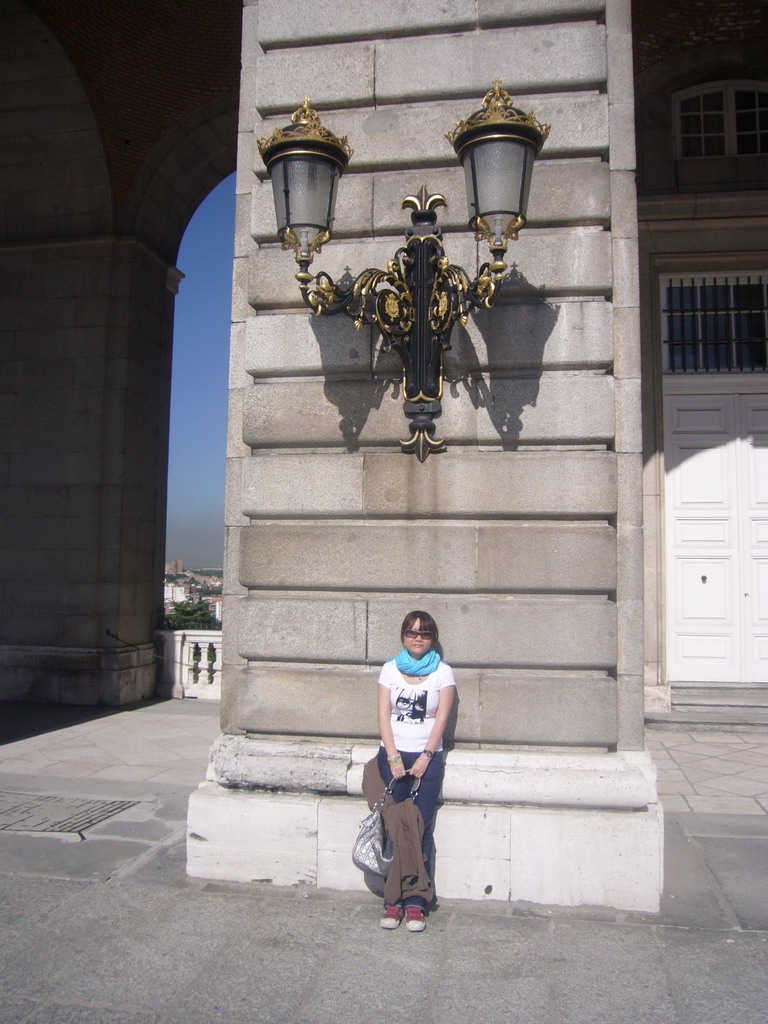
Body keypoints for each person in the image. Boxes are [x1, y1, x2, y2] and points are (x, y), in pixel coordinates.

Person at [375, 609, 455, 932]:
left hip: (427, 759)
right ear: (403, 636)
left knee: (420, 827)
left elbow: (442, 719)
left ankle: (417, 900)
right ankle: (392, 899)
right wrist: (394, 757)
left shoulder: (443, 673)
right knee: (397, 829)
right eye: (412, 632)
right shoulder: (389, 670)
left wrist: (425, 755)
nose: (418, 638)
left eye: (424, 633)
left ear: (432, 638)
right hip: (393, 757)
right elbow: (383, 715)